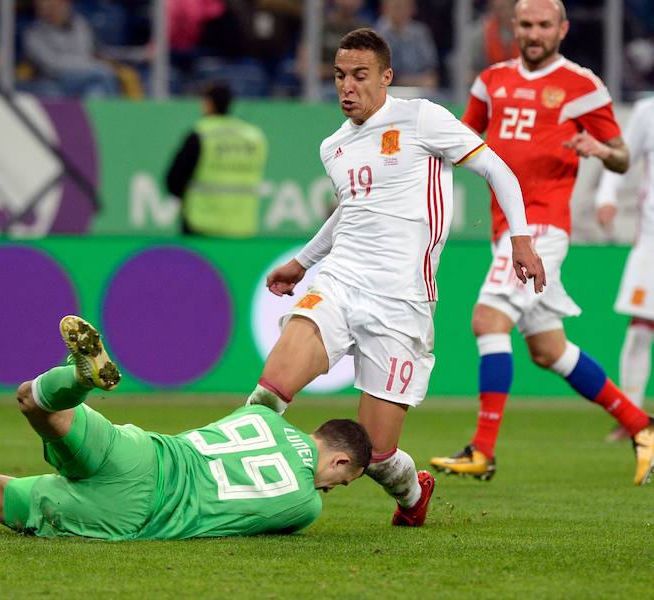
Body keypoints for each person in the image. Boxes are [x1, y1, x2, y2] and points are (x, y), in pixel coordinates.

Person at [244, 27, 545, 528]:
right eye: (340, 76)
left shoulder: (421, 117)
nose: (347, 87)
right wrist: (304, 262)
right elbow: (351, 211)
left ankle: (413, 493)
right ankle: (232, 488)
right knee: (269, 393)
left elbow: (497, 170)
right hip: (339, 284)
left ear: (386, 78)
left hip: (402, 302)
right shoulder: (333, 147)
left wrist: (521, 237)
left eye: (360, 76)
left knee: (377, 455)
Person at [0, 316, 373, 540]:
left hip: (144, 451)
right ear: (341, 461)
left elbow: (266, 397)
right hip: (138, 511)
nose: (334, 488)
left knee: (34, 402)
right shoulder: (306, 507)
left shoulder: (261, 416)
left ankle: (78, 379)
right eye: (342, 482)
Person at [429, 0, 654, 486]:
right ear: (515, 27)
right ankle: (642, 427)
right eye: (526, 24)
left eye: (544, 25)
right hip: (501, 228)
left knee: (487, 319)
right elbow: (460, 139)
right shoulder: (490, 80)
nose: (534, 33)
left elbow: (620, 157)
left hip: (542, 229)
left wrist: (601, 150)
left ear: (562, 29)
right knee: (549, 350)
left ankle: (483, 450)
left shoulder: (583, 85)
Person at [594, 96, 654, 440]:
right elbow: (622, 159)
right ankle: (632, 416)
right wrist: (606, 197)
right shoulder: (647, 113)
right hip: (651, 239)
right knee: (641, 327)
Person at [165, 81, 268, 237]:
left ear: (208, 104)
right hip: (242, 226)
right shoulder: (254, 136)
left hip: (201, 223)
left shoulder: (201, 133)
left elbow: (174, 180)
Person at [22, 0, 121, 98]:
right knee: (104, 74)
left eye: (55, 6)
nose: (50, 12)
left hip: (85, 75)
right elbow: (53, 65)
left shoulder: (79, 23)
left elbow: (84, 53)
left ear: (66, 5)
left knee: (96, 91)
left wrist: (89, 66)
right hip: (54, 80)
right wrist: (93, 66)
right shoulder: (33, 34)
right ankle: (118, 110)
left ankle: (106, 112)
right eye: (45, 9)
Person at [374, 0, 438, 89]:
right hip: (387, 90)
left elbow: (430, 68)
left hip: (419, 90)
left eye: (406, 7)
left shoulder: (421, 32)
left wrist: (428, 79)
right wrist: (403, 81)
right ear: (384, 8)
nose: (401, 11)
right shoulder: (375, 34)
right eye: (397, 6)